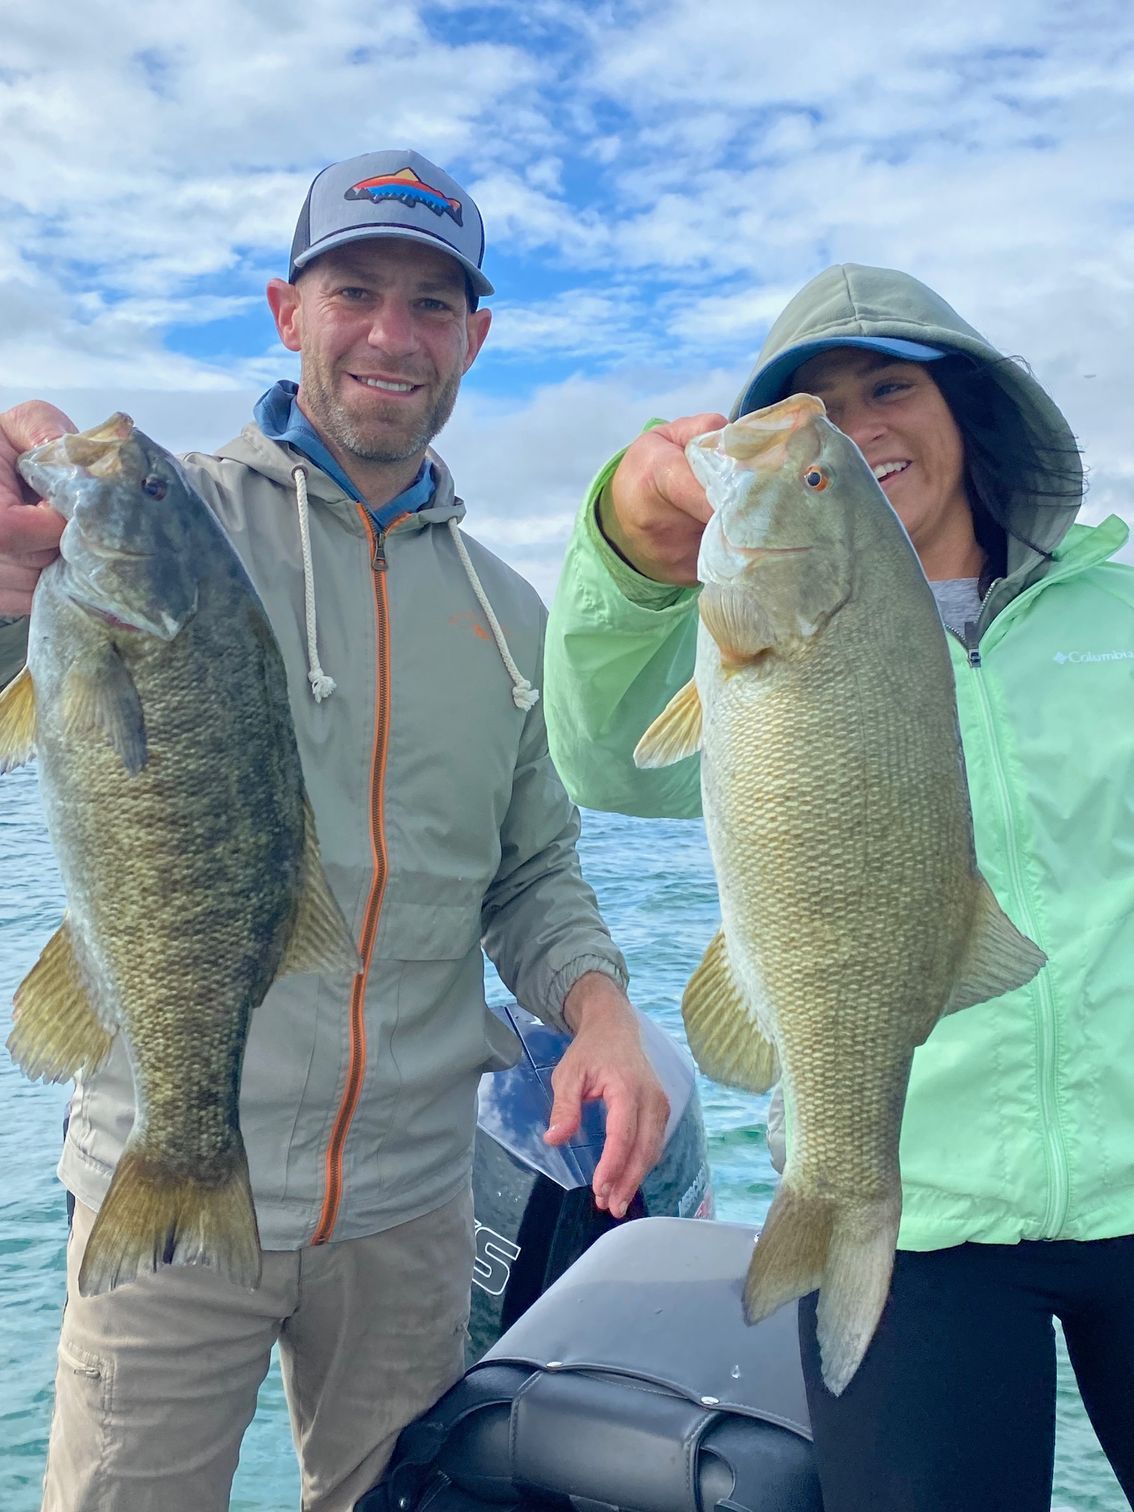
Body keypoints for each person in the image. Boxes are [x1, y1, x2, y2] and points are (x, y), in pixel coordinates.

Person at [0, 148, 670, 1512]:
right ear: (282, 309)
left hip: (413, 1209)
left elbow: (534, 869)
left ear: (474, 337)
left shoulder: (508, 615)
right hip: (161, 1174)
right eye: (352, 288)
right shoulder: (156, 525)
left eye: (431, 305)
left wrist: (600, 1008)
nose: (389, 333)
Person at [543, 262, 1134, 1511]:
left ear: (965, 407)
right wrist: (626, 539)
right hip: (915, 1226)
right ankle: (839, 1195)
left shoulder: (1117, 616)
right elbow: (599, 752)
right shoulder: (740, 634)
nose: (854, 429)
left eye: (887, 389)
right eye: (812, 404)